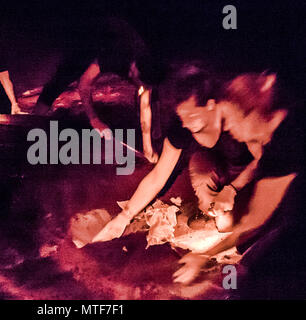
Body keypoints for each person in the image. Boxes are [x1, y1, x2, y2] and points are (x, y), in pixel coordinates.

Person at [172, 73, 305, 298]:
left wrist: (203, 256)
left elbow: (254, 221)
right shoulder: (283, 135)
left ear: (251, 114)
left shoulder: (289, 142)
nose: (229, 128)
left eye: (231, 120)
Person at [92, 63, 256, 243]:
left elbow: (264, 158)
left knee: (242, 225)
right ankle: (216, 212)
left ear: (211, 105)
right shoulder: (182, 127)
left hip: (249, 171)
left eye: (191, 116)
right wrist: (124, 217)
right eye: (182, 117)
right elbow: (158, 176)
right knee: (212, 203)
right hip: (214, 162)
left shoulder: (236, 117)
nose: (186, 123)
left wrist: (233, 189)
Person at [34, 17, 165, 145]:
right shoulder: (115, 56)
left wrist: (155, 127)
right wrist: (94, 120)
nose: (142, 88)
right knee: (63, 77)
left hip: (120, 36)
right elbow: (84, 84)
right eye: (141, 83)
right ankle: (33, 121)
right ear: (134, 70)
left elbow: (148, 94)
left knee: (146, 87)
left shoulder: (148, 62)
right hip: (90, 35)